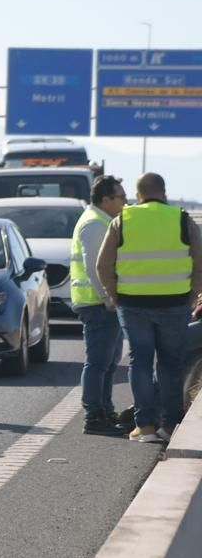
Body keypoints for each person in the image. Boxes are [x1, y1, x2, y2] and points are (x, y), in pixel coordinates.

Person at [95, 171, 202, 443]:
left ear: (137, 194)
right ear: (163, 193)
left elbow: (102, 265)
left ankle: (144, 427)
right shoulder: (181, 219)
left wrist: (115, 296)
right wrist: (192, 294)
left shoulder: (123, 220)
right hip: (175, 303)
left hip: (133, 304)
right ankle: (170, 425)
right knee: (170, 364)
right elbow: (200, 262)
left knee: (140, 363)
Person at [71, 175, 128, 436]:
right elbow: (96, 269)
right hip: (98, 304)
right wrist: (109, 298)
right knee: (98, 362)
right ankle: (94, 416)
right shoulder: (95, 224)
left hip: (102, 303)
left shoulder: (103, 220)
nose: (125, 202)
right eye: (121, 197)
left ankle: (104, 410)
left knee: (108, 362)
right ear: (106, 199)